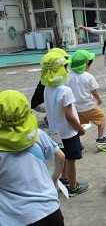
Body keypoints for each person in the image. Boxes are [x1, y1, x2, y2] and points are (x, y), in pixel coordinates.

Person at [0, 90, 65, 225]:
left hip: (16, 217)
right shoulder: (38, 135)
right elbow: (60, 156)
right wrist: (54, 177)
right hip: (51, 208)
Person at [41, 51, 90, 196]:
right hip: (68, 132)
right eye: (64, 67)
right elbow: (69, 116)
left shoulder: (47, 88)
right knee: (71, 159)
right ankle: (73, 187)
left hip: (55, 131)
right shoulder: (65, 91)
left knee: (62, 155)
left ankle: (64, 179)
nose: (67, 69)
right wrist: (80, 128)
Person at [66, 49, 106, 144]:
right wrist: (98, 100)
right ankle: (100, 138)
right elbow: (94, 92)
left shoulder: (68, 76)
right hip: (88, 106)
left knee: (78, 124)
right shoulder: (88, 76)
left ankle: (77, 143)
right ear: (86, 64)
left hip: (75, 108)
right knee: (102, 118)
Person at [31, 48, 71, 128]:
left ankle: (51, 117)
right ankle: (49, 119)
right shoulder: (52, 78)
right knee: (64, 101)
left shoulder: (48, 74)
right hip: (40, 104)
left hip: (45, 101)